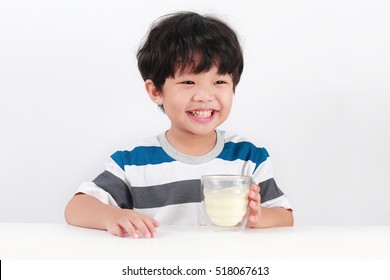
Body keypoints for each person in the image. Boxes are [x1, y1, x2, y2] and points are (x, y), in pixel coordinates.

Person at [65, 11, 293, 238]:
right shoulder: (133, 162)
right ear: (156, 91)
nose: (204, 95)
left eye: (219, 81)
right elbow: (76, 208)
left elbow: (285, 216)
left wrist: (260, 216)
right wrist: (112, 216)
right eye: (188, 82)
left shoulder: (249, 158)